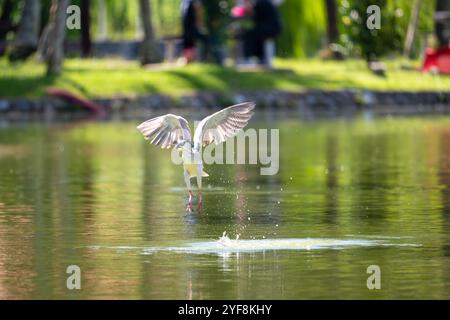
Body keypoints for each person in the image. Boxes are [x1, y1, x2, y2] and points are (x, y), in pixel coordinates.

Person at [242, 0, 282, 65]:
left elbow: (254, 17)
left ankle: (248, 58)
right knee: (255, 34)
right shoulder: (265, 2)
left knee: (249, 34)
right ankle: (261, 58)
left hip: (270, 28)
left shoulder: (260, 3)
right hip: (273, 28)